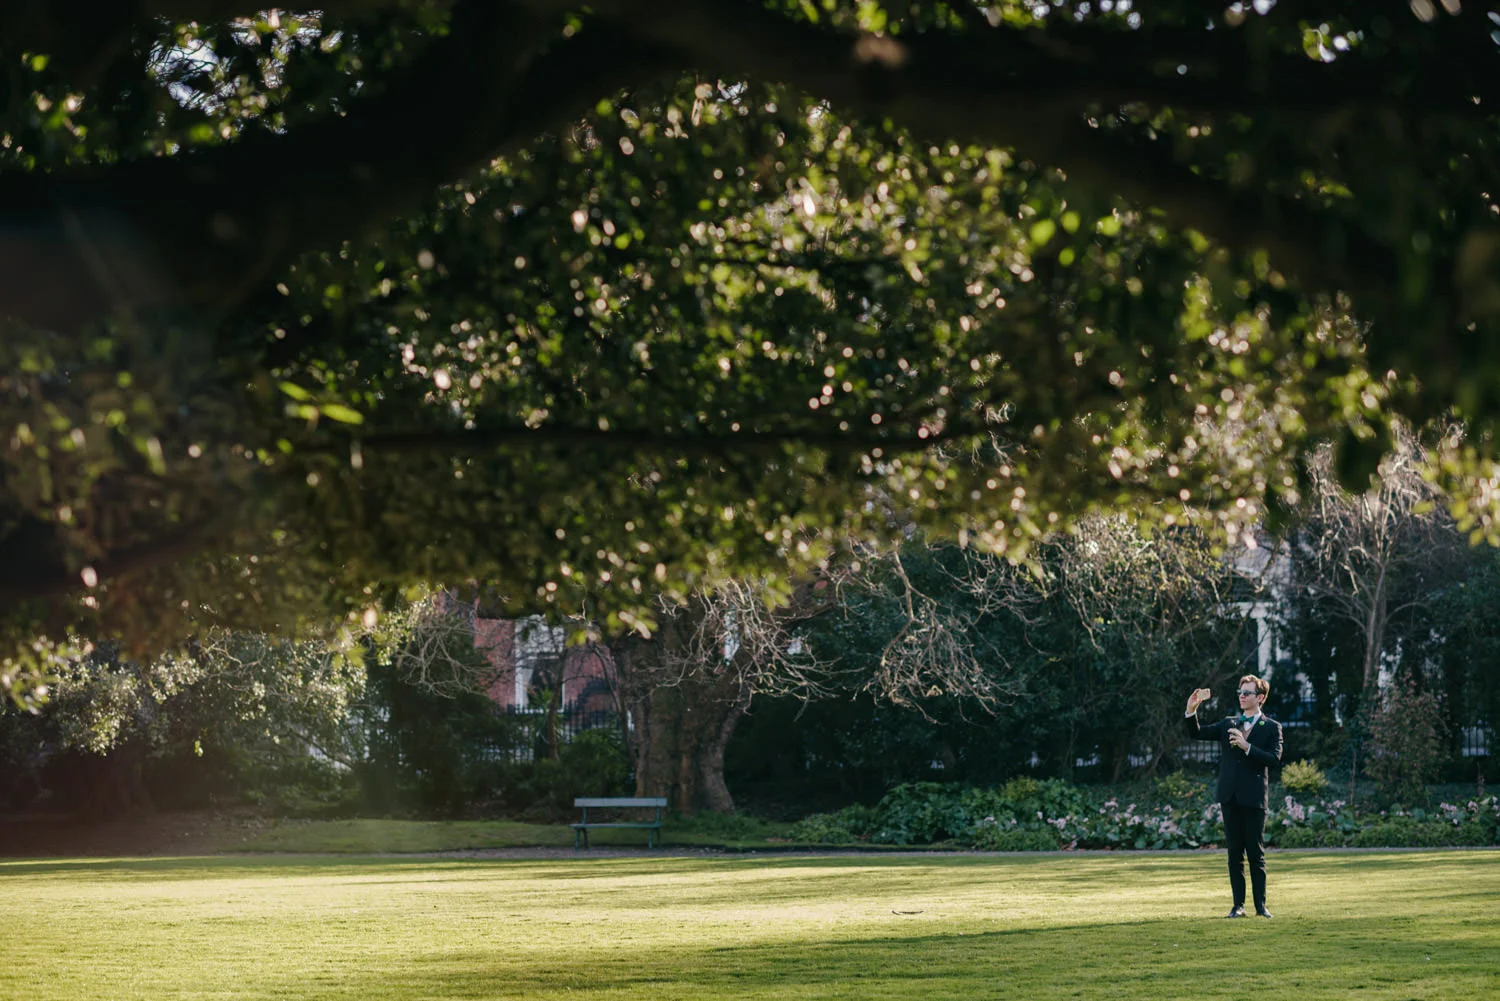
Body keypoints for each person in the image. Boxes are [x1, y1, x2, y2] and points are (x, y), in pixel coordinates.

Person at [1184, 675, 1284, 918]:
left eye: (1247, 692)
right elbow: (1196, 733)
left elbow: (1274, 758)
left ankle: (1261, 906)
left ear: (1259, 698)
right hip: (1230, 796)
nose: (1242, 695)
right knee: (1234, 853)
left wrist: (1246, 746)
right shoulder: (1229, 723)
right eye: (1240, 691)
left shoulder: (1271, 727)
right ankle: (1238, 906)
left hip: (1255, 797)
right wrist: (1190, 711)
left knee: (1256, 853)